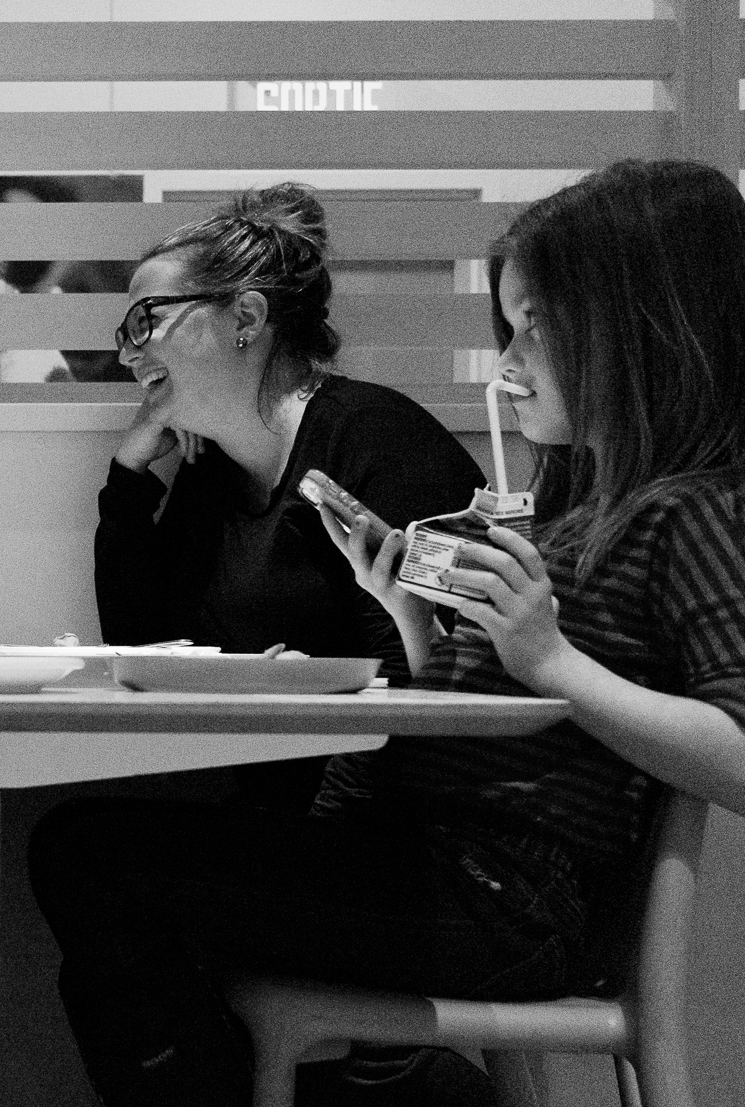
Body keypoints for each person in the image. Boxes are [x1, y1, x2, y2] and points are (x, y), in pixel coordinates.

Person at [31, 159, 745, 1107]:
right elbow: (483, 704)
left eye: (533, 331)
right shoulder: (585, 509)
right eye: (507, 333)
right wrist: (400, 599)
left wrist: (548, 659)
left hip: (502, 894)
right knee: (107, 859)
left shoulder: (695, 513)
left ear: (643, 332)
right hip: (457, 865)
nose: (506, 368)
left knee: (93, 859)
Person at [97, 182, 484, 810]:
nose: (124, 352)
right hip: (266, 796)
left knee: (79, 848)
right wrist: (129, 479)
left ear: (246, 318)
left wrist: (313, 689)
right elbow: (140, 647)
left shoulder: (377, 443)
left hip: (389, 825)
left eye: (147, 320)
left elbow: (442, 685)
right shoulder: (212, 471)